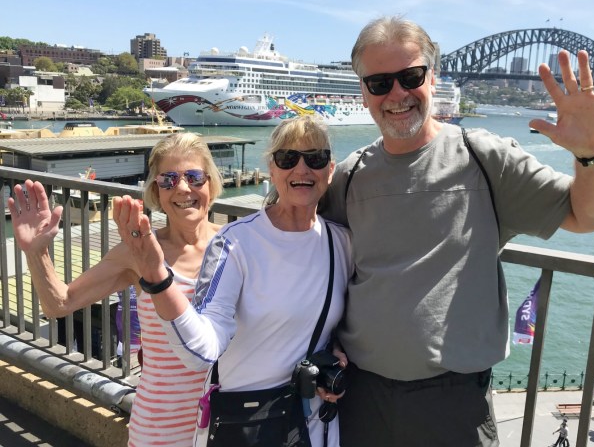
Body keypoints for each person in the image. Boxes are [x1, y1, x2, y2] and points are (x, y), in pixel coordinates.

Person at [319, 15, 594, 446]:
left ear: (432, 78)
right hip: (361, 395)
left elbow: (590, 216)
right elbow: (315, 264)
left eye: (410, 76)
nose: (397, 94)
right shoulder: (350, 176)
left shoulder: (484, 157)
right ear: (364, 92)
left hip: (454, 402)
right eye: (380, 83)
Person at [132, 116, 353, 446]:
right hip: (248, 426)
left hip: (313, 427)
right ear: (272, 169)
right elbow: (201, 350)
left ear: (330, 170)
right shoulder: (235, 243)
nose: (302, 170)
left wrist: (335, 347)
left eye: (315, 159)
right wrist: (158, 279)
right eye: (288, 158)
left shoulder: (342, 243)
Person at [8, 132, 225, 446]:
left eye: (194, 176)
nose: (182, 188)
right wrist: (36, 251)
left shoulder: (236, 245)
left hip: (227, 421)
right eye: (168, 180)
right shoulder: (137, 252)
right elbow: (60, 303)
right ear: (156, 191)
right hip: (159, 425)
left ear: (210, 183)